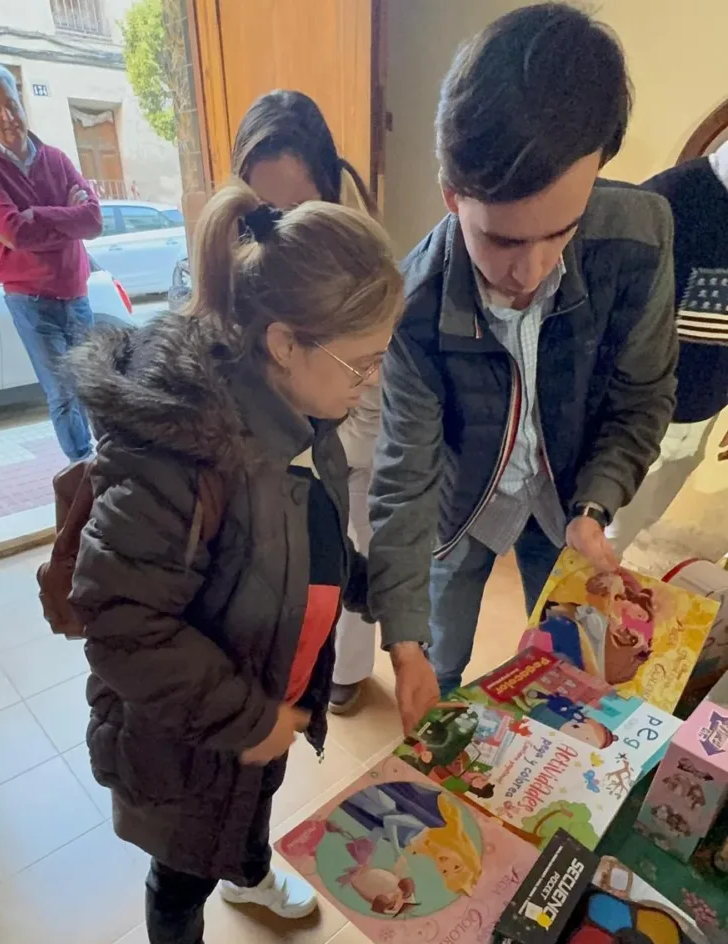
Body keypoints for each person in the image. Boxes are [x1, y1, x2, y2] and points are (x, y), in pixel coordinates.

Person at [67, 180, 402, 944]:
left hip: (261, 709)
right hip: (188, 734)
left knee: (251, 809)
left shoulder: (299, 408)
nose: (372, 383)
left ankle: (248, 872)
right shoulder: (179, 449)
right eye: (363, 363)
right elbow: (119, 620)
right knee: (181, 867)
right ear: (284, 342)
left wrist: (366, 586)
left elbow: (311, 534)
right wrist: (246, 717)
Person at [367, 3, 678, 732]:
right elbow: (403, 478)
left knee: (568, 666)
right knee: (437, 655)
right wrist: (402, 643)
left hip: (567, 503)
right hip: (460, 509)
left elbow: (642, 396)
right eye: (502, 238)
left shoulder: (639, 240)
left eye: (561, 232)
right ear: (452, 195)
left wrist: (596, 504)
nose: (532, 270)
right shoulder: (409, 306)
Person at [232, 89, 381, 715]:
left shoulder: (362, 278)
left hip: (328, 456)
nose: (284, 238)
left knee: (342, 553)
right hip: (280, 463)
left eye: (301, 212)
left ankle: (340, 667)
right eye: (267, 216)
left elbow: (367, 411)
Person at [607, 139, 728, 554]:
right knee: (604, 529)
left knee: (644, 512)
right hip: (638, 411)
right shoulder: (667, 202)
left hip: (703, 407)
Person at [0, 62, 101, 462]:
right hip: (31, 300)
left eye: (10, 103)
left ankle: (113, 462)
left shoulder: (56, 158)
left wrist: (41, 215)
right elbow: (12, 232)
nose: (7, 115)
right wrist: (66, 217)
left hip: (75, 290)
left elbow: (94, 221)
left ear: (21, 100)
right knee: (63, 392)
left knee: (94, 381)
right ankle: (82, 471)